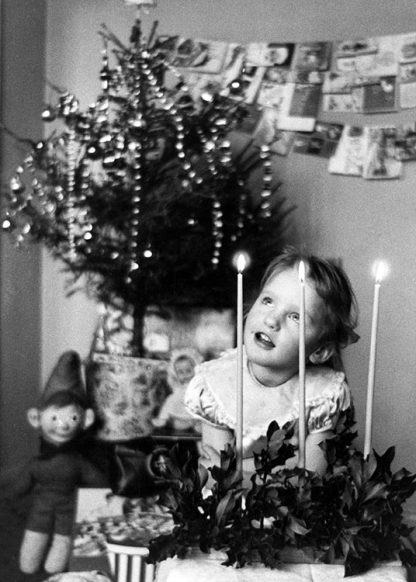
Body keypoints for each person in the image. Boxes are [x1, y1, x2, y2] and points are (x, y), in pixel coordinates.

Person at [184, 246, 359, 482]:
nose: (271, 320)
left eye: (295, 316)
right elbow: (217, 477)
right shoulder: (218, 384)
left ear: (320, 350)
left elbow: (308, 480)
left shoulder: (321, 397)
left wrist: (238, 475)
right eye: (267, 301)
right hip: (232, 511)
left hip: (293, 512)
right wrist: (238, 477)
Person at [153, 348, 202, 432]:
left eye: (188, 371)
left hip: (196, 416)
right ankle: (163, 418)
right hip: (182, 416)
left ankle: (196, 426)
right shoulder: (179, 389)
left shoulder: (199, 386)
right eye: (180, 372)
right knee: (171, 399)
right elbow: (172, 401)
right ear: (175, 374)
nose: (185, 375)